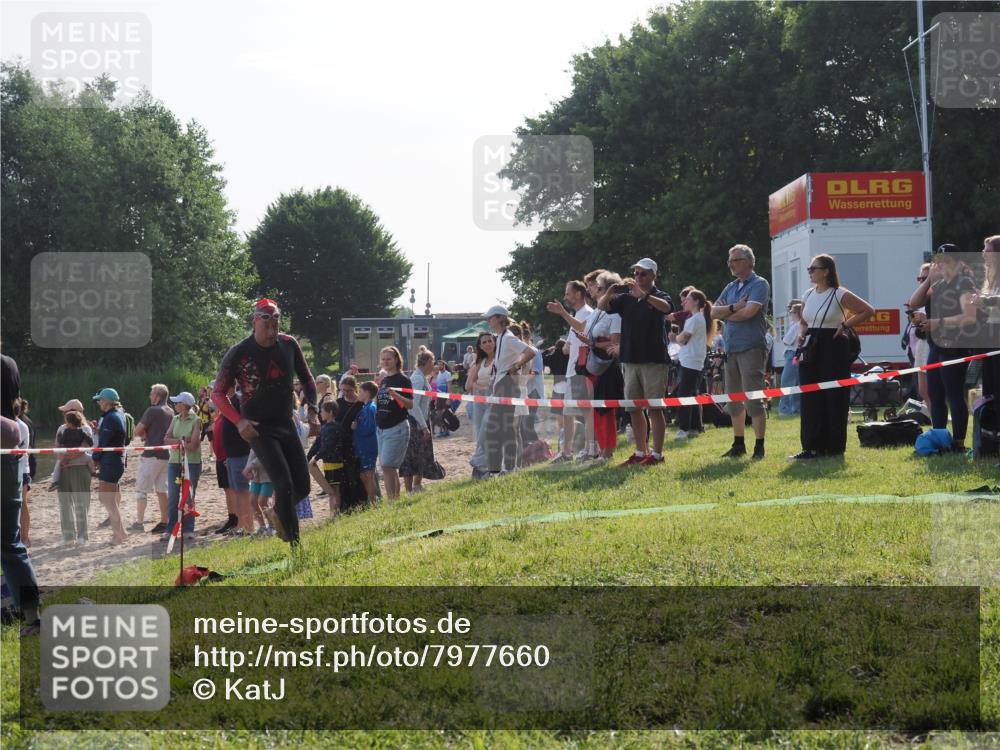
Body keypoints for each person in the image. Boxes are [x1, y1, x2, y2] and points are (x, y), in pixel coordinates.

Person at [212, 298, 319, 544]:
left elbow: (307, 379)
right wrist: (239, 422)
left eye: (276, 326)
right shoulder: (239, 352)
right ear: (255, 322)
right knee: (283, 483)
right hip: (258, 429)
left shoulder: (289, 344)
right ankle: (295, 547)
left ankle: (276, 512)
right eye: (266, 327)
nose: (272, 333)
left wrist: (311, 408)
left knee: (303, 487)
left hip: (286, 423)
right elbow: (218, 393)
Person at [792, 255, 875, 459]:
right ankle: (810, 446)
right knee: (810, 396)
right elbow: (804, 320)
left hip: (833, 345)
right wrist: (801, 333)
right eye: (809, 269)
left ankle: (834, 447)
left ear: (826, 271)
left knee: (834, 397)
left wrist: (845, 325)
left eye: (814, 268)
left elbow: (868, 310)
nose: (810, 272)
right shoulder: (808, 294)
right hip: (811, 345)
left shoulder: (840, 293)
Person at [598, 258, 674, 466]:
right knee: (633, 408)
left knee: (655, 408)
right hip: (630, 360)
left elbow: (667, 308)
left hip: (654, 360)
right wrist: (609, 292)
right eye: (636, 273)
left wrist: (645, 296)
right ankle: (641, 451)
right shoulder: (626, 299)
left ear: (653, 276)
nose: (638, 277)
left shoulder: (659, 296)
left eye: (643, 274)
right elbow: (602, 306)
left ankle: (657, 454)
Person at [909, 244, 980, 452]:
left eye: (946, 261)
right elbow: (913, 302)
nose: (941, 265)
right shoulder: (938, 285)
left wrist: (937, 322)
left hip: (954, 347)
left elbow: (969, 317)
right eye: (938, 261)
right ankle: (939, 437)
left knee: (954, 395)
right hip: (935, 346)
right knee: (935, 394)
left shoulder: (964, 283)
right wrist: (929, 280)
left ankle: (958, 442)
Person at [711, 244, 771, 460]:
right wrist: (735, 308)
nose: (730, 264)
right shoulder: (731, 287)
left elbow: (750, 313)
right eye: (730, 260)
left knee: (753, 399)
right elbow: (712, 312)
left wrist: (727, 313)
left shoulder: (760, 284)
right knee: (733, 400)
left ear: (748, 262)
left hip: (751, 348)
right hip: (732, 349)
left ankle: (759, 446)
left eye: (735, 260)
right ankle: (738, 444)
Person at [1, 354, 40, 636]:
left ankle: (31, 617)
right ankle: (32, 617)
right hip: (10, 461)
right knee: (12, 545)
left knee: (11, 545)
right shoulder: (9, 362)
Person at [481, 305, 537, 477]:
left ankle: (504, 469)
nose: (488, 320)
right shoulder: (501, 337)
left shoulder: (507, 337)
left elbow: (531, 351)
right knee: (502, 429)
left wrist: (516, 366)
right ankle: (502, 469)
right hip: (502, 384)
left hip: (507, 384)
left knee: (500, 429)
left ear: (499, 318)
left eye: (490, 317)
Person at [547, 280, 596, 462]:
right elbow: (567, 346)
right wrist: (567, 345)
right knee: (568, 412)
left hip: (580, 369)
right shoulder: (577, 315)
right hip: (571, 370)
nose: (565, 297)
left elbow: (582, 330)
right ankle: (566, 452)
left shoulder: (588, 313)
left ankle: (591, 448)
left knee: (586, 411)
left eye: (568, 293)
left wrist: (562, 313)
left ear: (578, 294)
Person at [585, 272, 624, 463]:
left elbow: (615, 343)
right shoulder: (597, 311)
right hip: (596, 364)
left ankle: (608, 450)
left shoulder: (615, 312)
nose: (592, 289)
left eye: (596, 286)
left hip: (608, 365)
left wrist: (593, 344)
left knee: (606, 410)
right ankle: (602, 448)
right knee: (597, 409)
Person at [669, 289, 717, 440]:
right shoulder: (698, 318)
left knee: (684, 395)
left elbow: (683, 339)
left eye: (688, 299)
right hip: (692, 360)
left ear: (696, 301)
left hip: (690, 361)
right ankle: (694, 428)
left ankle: (683, 429)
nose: (684, 302)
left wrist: (673, 337)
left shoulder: (695, 319)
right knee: (692, 394)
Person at [163, 392, 203, 541]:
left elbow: (193, 446)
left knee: (189, 497)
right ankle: (170, 528)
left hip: (191, 463)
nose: (175, 405)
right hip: (174, 462)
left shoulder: (196, 420)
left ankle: (188, 529)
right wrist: (182, 440)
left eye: (177, 402)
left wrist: (177, 442)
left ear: (184, 405)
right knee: (173, 496)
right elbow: (166, 438)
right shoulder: (175, 418)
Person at [133, 384, 173, 532]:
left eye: (151, 394)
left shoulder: (152, 410)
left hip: (151, 455)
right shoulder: (170, 411)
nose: (150, 396)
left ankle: (139, 522)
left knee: (141, 490)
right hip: (166, 455)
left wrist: (145, 433)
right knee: (162, 489)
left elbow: (137, 431)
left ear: (157, 395)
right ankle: (165, 520)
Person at [91, 387, 129, 545]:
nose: (98, 402)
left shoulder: (111, 417)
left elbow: (104, 442)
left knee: (108, 499)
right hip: (113, 460)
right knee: (108, 499)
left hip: (111, 460)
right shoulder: (117, 414)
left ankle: (119, 534)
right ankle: (121, 532)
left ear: (106, 401)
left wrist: (95, 458)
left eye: (100, 399)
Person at [375, 346, 412, 500]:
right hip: (382, 429)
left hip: (396, 427)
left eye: (389, 358)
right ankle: (394, 500)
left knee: (387, 466)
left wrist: (396, 395)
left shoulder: (403, 380)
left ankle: (392, 501)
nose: (386, 361)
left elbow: (409, 404)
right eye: (383, 359)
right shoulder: (384, 380)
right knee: (389, 467)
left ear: (396, 359)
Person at [54, 409, 93, 546]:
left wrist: (66, 459)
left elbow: (83, 448)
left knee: (80, 504)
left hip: (79, 468)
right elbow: (57, 446)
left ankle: (83, 537)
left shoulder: (85, 429)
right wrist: (62, 460)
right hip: (64, 469)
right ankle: (68, 536)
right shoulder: (62, 429)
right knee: (64, 504)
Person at [401, 351, 437, 494]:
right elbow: (413, 405)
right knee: (412, 456)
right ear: (428, 361)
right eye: (432, 362)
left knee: (421, 454)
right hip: (416, 421)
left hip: (421, 419)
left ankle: (417, 485)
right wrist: (423, 425)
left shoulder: (422, 378)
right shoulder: (417, 379)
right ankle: (410, 490)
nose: (433, 365)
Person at [221, 384, 253, 534]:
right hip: (232, 454)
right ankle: (241, 525)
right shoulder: (229, 401)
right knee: (237, 490)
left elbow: (247, 426)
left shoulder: (238, 400)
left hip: (241, 453)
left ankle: (248, 527)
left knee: (243, 491)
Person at [980, 235, 1000, 465]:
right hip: (991, 338)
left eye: (987, 249)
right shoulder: (990, 278)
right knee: (992, 392)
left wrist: (985, 301)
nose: (983, 253)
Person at [334, 374, 368, 510]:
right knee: (345, 475)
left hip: (358, 441)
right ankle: (347, 505)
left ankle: (362, 501)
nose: (346, 393)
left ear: (355, 388)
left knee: (359, 473)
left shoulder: (361, 403)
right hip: (344, 442)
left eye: (348, 390)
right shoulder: (339, 403)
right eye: (343, 390)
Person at [307, 400, 347, 514]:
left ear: (330, 412)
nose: (320, 413)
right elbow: (317, 444)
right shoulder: (325, 427)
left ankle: (335, 513)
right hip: (328, 463)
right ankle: (333, 513)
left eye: (322, 411)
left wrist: (316, 458)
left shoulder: (334, 427)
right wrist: (309, 456)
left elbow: (328, 446)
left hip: (335, 463)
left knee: (334, 490)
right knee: (331, 489)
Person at [467, 332, 496, 477]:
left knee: (487, 434)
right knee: (480, 435)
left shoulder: (499, 360)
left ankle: (479, 463)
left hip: (493, 400)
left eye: (489, 341)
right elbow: (468, 385)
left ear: (494, 342)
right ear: (480, 346)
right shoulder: (479, 362)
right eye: (483, 342)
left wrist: (479, 385)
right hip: (479, 401)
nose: (487, 344)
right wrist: (481, 386)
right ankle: (482, 467)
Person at [906, 263, 933, 411]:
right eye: (920, 278)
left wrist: (926, 316)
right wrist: (915, 318)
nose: (922, 281)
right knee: (923, 391)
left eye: (926, 278)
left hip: (934, 345)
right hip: (922, 344)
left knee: (934, 391)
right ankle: (934, 420)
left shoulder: (939, 293)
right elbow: (913, 303)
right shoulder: (922, 296)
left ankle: (942, 424)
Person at [353, 381, 380, 501]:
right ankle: (372, 500)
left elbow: (370, 428)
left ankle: (374, 501)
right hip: (362, 445)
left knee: (368, 475)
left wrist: (356, 427)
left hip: (368, 445)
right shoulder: (365, 407)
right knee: (364, 476)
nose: (358, 394)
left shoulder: (371, 408)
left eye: (361, 391)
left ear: (367, 393)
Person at [778, 300, 804, 416]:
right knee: (797, 383)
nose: (790, 314)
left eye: (792, 312)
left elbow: (786, 340)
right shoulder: (802, 324)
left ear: (798, 313)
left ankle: (785, 409)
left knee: (786, 382)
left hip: (791, 354)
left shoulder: (796, 326)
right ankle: (796, 408)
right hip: (798, 355)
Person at [242, 448, 274, 536]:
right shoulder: (253, 442)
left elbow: (264, 455)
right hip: (256, 476)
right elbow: (252, 453)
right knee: (252, 501)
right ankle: (262, 527)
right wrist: (247, 469)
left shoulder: (264, 439)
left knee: (262, 501)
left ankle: (272, 526)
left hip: (267, 476)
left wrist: (250, 466)